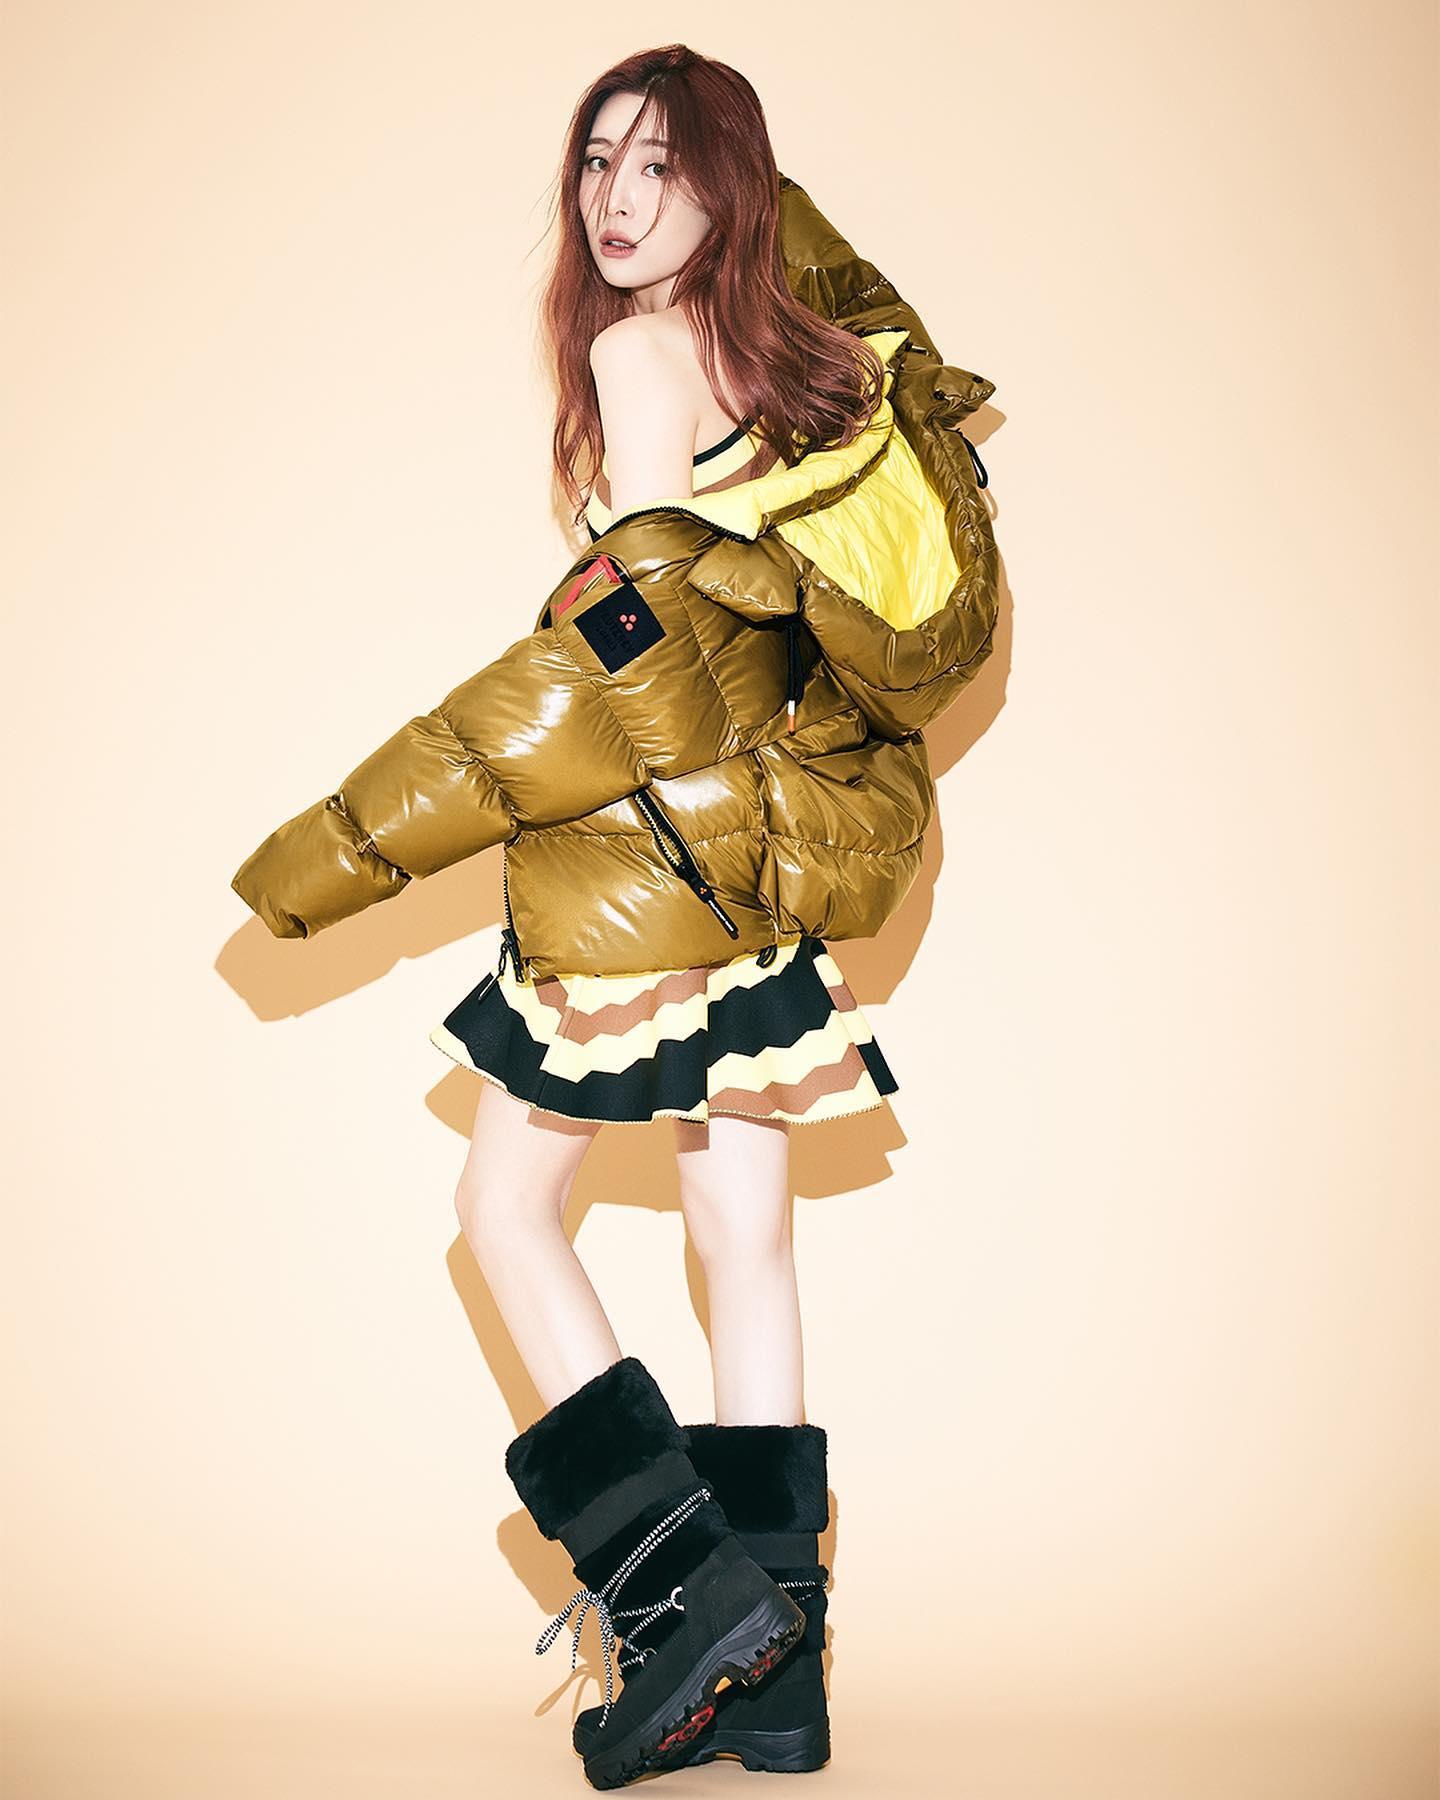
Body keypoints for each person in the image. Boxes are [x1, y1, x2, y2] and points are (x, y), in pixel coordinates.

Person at [231, 42, 999, 1790]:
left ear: (731, 184)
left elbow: (638, 654)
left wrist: (357, 836)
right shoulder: (785, 363)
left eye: (661, 164)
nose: (619, 198)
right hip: (759, 867)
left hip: (654, 873)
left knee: (503, 1208)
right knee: (745, 1240)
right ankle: (783, 1686)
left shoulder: (642, 354)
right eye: (598, 162)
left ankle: (683, 1606)